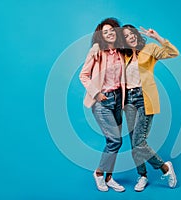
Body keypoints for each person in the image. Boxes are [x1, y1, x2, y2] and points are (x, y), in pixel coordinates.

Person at [121, 24, 179, 191]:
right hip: (129, 101)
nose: (130, 37)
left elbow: (173, 53)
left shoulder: (150, 48)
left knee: (139, 142)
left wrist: (158, 37)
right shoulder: (124, 57)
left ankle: (165, 168)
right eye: (125, 36)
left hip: (144, 98)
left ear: (136, 35)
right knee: (134, 143)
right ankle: (142, 176)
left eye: (132, 33)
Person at [79, 18, 126, 192]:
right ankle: (99, 173)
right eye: (105, 32)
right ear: (101, 35)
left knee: (113, 141)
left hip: (117, 100)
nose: (109, 34)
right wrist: (96, 93)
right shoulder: (97, 51)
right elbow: (83, 75)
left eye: (112, 30)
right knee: (115, 140)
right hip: (102, 101)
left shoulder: (121, 52)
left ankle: (110, 177)